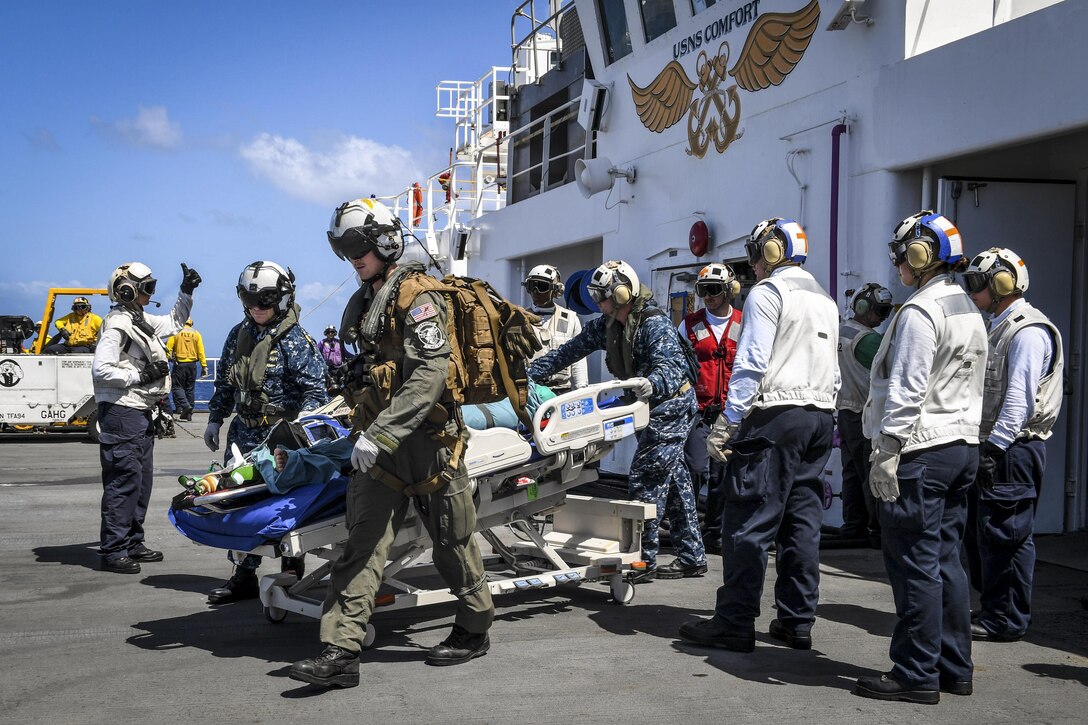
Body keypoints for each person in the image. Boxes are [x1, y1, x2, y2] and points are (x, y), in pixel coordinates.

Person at [289, 198, 495, 688]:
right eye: (346, 249)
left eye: (358, 247)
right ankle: (340, 652)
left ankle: (473, 628)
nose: (353, 257)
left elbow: (429, 372)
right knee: (361, 545)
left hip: (429, 444)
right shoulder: (364, 300)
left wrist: (380, 433)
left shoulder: (419, 296)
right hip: (379, 448)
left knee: (452, 542)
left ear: (384, 241)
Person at [679, 218, 839, 653]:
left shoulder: (769, 293)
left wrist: (729, 421)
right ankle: (796, 620)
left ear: (770, 251)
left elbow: (751, 363)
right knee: (802, 523)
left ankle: (734, 620)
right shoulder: (824, 299)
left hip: (775, 419)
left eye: (755, 251)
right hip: (820, 418)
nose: (751, 262)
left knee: (748, 519)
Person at [852, 211, 987, 705]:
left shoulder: (920, 312)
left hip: (920, 449)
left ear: (921, 255)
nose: (898, 262)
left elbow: (908, 388)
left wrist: (888, 449)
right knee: (947, 560)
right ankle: (955, 667)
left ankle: (915, 672)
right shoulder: (968, 307)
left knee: (914, 565)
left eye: (903, 252)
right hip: (960, 448)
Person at [529, 260, 705, 582]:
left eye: (602, 295)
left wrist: (653, 382)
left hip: (670, 404)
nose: (597, 302)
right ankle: (692, 556)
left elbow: (671, 366)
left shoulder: (654, 324)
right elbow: (568, 352)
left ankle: (641, 561)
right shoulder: (607, 324)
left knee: (646, 480)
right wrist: (528, 375)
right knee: (675, 480)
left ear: (623, 293)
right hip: (645, 406)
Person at [203, 261, 328, 604]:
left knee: (286, 508)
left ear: (283, 298)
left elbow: (317, 392)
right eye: (249, 298)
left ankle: (291, 572)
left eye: (266, 300)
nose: (257, 307)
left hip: (280, 442)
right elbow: (226, 383)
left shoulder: (297, 341)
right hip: (242, 436)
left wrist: (302, 430)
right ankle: (243, 575)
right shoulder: (238, 334)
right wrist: (215, 418)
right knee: (237, 505)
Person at [963, 247, 1064, 643]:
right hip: (1000, 447)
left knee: (1007, 535)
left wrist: (994, 449)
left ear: (1000, 284)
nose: (971, 292)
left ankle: (1004, 619)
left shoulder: (1026, 331)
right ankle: (995, 607)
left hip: (1011, 449)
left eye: (976, 284)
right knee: (989, 535)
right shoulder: (1000, 326)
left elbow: (1019, 401)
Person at [92, 262, 200, 573]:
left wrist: (186, 291)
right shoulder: (117, 325)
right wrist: (140, 376)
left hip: (139, 411)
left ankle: (132, 542)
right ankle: (113, 550)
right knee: (124, 481)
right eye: (146, 288)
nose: (149, 293)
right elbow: (101, 369)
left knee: (140, 482)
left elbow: (173, 322)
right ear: (127, 290)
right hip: (122, 411)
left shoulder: (138, 320)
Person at [678, 262, 743, 556]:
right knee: (694, 469)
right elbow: (677, 365)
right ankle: (688, 531)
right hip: (698, 412)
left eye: (714, 290)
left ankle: (714, 532)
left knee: (721, 476)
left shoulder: (745, 323)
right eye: (703, 290)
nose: (708, 296)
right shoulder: (689, 325)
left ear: (729, 291)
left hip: (729, 414)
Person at [833, 282, 893, 546]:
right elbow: (891, 374)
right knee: (871, 471)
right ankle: (879, 529)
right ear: (863, 307)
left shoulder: (841, 330)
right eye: (880, 311)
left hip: (845, 411)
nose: (882, 317)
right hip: (865, 415)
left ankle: (853, 524)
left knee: (851, 470)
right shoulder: (869, 340)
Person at [523, 264, 587, 394]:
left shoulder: (570, 319)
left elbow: (578, 357)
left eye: (542, 287)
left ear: (556, 290)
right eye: (531, 286)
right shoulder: (520, 319)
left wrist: (582, 389)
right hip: (531, 390)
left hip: (561, 390)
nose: (536, 291)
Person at [166, 318, 207, 421]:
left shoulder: (176, 332)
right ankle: (188, 414)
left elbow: (168, 347)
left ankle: (185, 406)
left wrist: (166, 358)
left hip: (180, 364)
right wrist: (204, 366)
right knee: (190, 389)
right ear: (191, 323)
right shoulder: (196, 333)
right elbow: (201, 351)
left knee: (177, 387)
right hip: (192, 365)